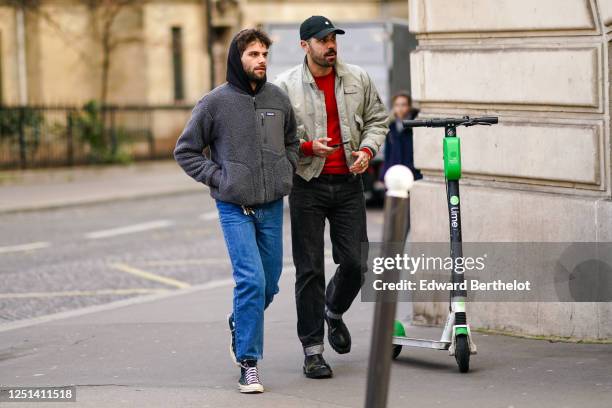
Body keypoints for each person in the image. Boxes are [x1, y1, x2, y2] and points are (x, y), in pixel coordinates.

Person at [174, 28, 298, 394]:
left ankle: (238, 321)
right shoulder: (214, 103)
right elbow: (186, 151)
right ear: (237, 59)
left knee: (270, 284)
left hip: (272, 205)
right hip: (234, 207)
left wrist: (285, 168)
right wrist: (220, 178)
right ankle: (249, 363)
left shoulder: (278, 98)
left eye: (264, 54)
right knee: (251, 282)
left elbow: (291, 140)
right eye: (253, 55)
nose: (260, 61)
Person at [274, 16, 388, 379]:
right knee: (309, 270)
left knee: (356, 263)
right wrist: (308, 146)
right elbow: (276, 137)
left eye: (333, 38)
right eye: (322, 40)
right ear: (304, 45)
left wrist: (368, 151)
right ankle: (313, 351)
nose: (330, 45)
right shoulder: (285, 87)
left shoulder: (358, 77)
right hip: (308, 184)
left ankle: (334, 311)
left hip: (350, 184)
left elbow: (377, 119)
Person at [380, 91, 423, 181]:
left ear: (409, 106)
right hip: (395, 175)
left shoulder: (416, 125)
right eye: (397, 105)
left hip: (413, 174)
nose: (400, 108)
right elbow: (387, 154)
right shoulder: (391, 127)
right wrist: (383, 176)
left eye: (403, 105)